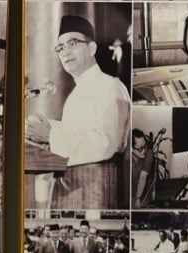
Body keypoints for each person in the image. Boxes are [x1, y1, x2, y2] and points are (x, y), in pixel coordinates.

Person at [25, 15, 129, 209]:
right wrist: (45, 128)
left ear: (92, 48)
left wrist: (51, 134)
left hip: (95, 191)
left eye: (73, 43)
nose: (65, 52)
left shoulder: (109, 86)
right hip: (71, 189)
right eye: (60, 48)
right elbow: (82, 130)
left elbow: (106, 143)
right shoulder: (77, 92)